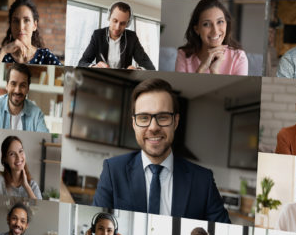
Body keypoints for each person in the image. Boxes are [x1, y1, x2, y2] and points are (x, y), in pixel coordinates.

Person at [92, 78, 231, 222]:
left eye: (163, 117)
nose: (153, 127)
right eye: (144, 118)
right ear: (134, 123)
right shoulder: (113, 170)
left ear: (175, 122)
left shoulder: (203, 181)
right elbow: (99, 224)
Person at [173, 0, 248, 75]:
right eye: (206, 24)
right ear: (197, 29)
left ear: (226, 24)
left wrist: (214, 71)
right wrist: (202, 68)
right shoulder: (183, 55)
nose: (215, 31)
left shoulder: (238, 57)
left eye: (220, 22)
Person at [76, 1, 154, 69]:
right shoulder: (98, 35)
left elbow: (149, 66)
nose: (117, 27)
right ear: (109, 17)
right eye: (115, 21)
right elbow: (82, 63)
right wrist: (94, 67)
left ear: (128, 23)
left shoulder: (132, 37)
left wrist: (137, 70)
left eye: (123, 23)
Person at [0, 0, 63, 65]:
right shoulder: (2, 54)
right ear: (11, 25)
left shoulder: (46, 56)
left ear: (34, 25)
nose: (20, 27)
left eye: (26, 20)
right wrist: (3, 51)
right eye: (16, 21)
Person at [0, 63, 49, 130]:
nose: (17, 91)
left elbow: (44, 139)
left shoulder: (36, 113)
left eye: (23, 85)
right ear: (6, 86)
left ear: (28, 89)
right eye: (13, 84)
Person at [0, 135, 41, 200]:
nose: (18, 157)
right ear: (5, 159)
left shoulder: (32, 185)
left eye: (20, 151)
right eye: (12, 154)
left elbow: (38, 209)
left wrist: (26, 186)